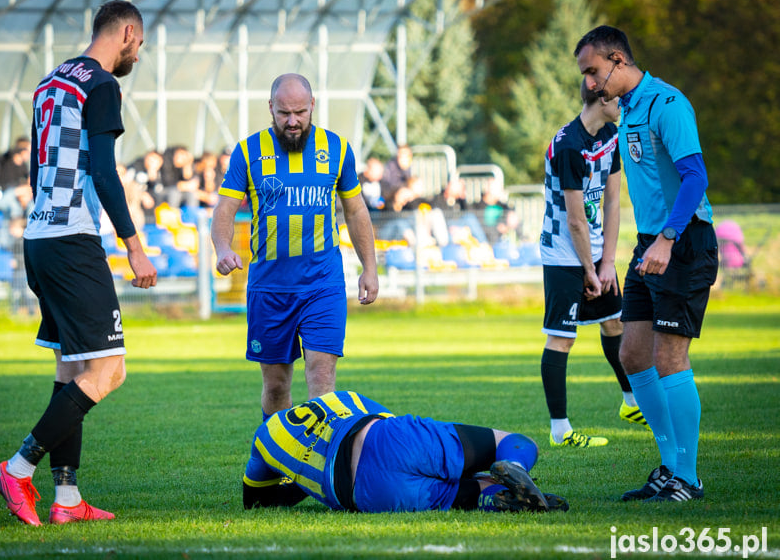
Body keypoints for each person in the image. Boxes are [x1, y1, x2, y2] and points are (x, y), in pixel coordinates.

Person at [0, 0, 157, 526]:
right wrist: (133, 244)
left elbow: (44, 169)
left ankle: (65, 499)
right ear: (128, 33)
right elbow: (104, 172)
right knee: (110, 370)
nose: (138, 54)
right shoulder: (102, 84)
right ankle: (16, 469)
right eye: (141, 44)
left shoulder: (49, 82)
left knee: (73, 368)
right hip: (69, 238)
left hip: (40, 235)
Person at [575, 26, 718, 502]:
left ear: (618, 59)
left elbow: (694, 177)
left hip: (683, 241)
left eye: (594, 72)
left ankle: (688, 476)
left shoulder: (667, 104)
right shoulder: (629, 108)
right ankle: (670, 466)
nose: (592, 83)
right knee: (632, 354)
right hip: (647, 246)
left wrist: (668, 238)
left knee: (669, 357)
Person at [211, 73, 379, 418]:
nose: (292, 121)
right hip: (270, 287)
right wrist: (223, 248)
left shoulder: (338, 149)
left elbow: (356, 209)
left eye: (300, 112)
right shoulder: (247, 152)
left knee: (321, 374)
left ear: (312, 106)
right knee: (276, 386)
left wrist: (370, 268)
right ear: (270, 108)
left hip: (323, 283)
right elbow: (225, 208)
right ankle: (277, 463)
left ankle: (320, 464)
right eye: (284, 113)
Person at [243, 390, 568, 513]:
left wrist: (301, 482)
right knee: (513, 442)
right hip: (388, 439)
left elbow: (256, 500)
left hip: (363, 495)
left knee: (463, 494)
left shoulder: (264, 438)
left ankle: (496, 496)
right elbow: (389, 424)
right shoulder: (339, 398)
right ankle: (513, 463)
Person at [540, 79, 647, 450]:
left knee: (614, 321)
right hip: (563, 253)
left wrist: (606, 263)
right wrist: (588, 268)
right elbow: (574, 220)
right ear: (602, 98)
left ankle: (631, 403)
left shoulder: (611, 134)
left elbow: (614, 202)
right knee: (562, 338)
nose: (623, 102)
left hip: (595, 252)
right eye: (618, 97)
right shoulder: (569, 146)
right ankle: (560, 431)